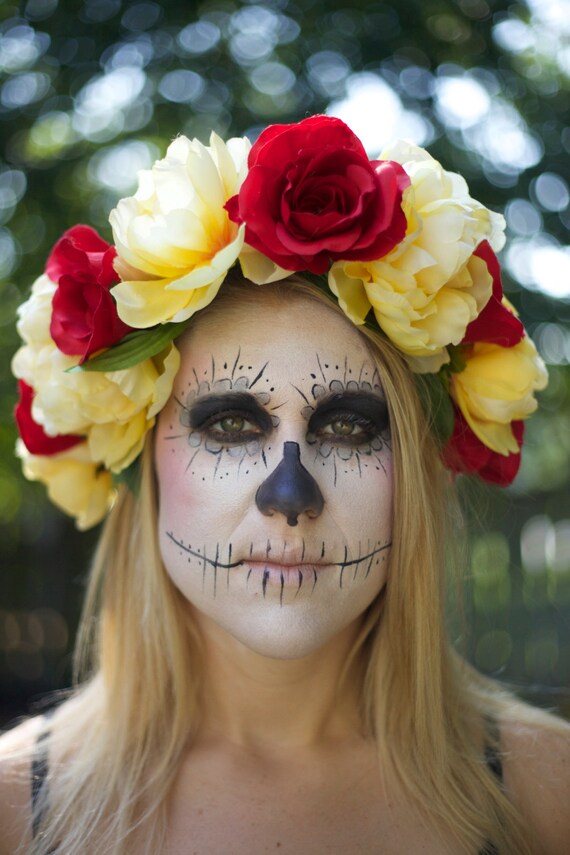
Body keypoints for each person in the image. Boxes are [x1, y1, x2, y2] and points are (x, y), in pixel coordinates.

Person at [1, 115, 569, 855]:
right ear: (138, 458)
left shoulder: (548, 792)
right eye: (231, 425)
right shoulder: (14, 810)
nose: (291, 496)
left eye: (351, 426)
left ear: (416, 468)